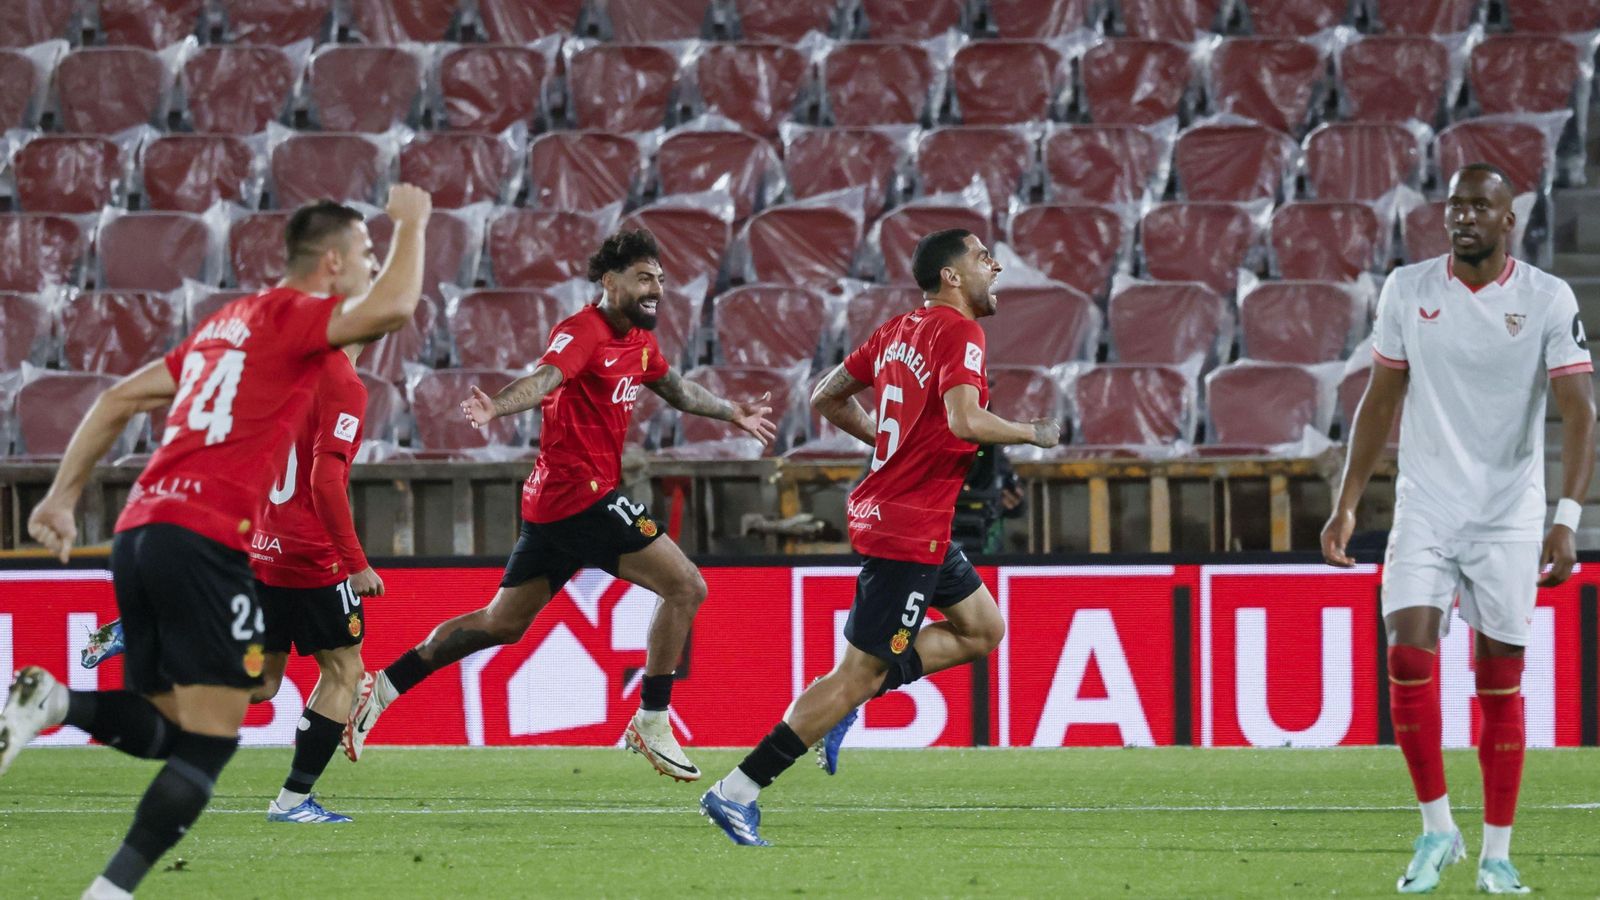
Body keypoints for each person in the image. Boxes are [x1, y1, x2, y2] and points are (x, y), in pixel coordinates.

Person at [0, 185, 433, 899]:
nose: (373, 263)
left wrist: (62, 496)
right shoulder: (300, 320)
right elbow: (393, 307)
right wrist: (413, 223)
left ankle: (56, 705)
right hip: (206, 541)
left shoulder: (227, 324)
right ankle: (111, 889)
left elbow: (116, 400)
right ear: (331, 263)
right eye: (366, 252)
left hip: (140, 532)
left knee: (173, 730)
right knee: (212, 741)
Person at [343, 228, 775, 782]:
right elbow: (546, 377)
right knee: (686, 585)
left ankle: (382, 686)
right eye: (645, 278)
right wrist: (497, 407)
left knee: (502, 623)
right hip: (582, 499)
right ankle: (652, 718)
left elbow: (678, 390)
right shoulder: (582, 331)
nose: (656, 289)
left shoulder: (639, 341)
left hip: (557, 506)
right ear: (610, 280)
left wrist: (732, 411)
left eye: (661, 280)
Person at [699, 228, 1062, 846]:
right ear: (952, 276)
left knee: (983, 630)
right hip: (908, 527)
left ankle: (863, 693)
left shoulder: (898, 331)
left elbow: (826, 395)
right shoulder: (961, 332)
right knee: (853, 676)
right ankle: (737, 790)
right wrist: (1032, 433)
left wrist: (887, 443)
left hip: (907, 517)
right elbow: (965, 419)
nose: (995, 266)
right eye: (982, 258)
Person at [1322, 163, 1594, 895]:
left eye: (1480, 206)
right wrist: (1349, 502)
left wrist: (1564, 519)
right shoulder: (1410, 290)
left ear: (1510, 221)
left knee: (1498, 681)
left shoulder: (1546, 298)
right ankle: (1437, 826)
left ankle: (1496, 854)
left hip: (1509, 514)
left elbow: (1581, 412)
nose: (1463, 216)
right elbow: (1381, 400)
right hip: (1427, 507)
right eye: (1455, 205)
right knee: (1407, 654)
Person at [79, 324, 385, 829]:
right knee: (344, 673)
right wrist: (356, 563)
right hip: (311, 559)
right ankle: (291, 803)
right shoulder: (344, 383)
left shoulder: (279, 371)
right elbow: (325, 481)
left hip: (260, 549)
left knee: (262, 682)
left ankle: (144, 638)